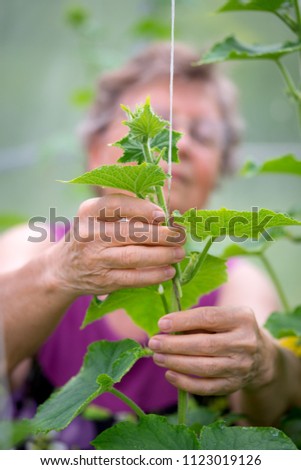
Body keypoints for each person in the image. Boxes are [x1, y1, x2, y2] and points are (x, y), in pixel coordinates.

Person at [1, 42, 301, 448]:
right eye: (161, 125)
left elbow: (279, 408)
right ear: (95, 151)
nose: (181, 144)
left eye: (206, 135)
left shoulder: (238, 284)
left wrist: (265, 363)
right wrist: (56, 273)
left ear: (220, 168)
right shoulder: (28, 249)